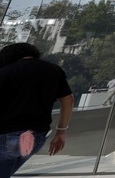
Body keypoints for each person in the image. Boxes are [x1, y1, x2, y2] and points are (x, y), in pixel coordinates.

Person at [0, 43, 74, 177]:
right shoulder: (54, 70)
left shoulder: (6, 71)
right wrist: (61, 132)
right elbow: (68, 100)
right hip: (36, 137)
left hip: (6, 134)